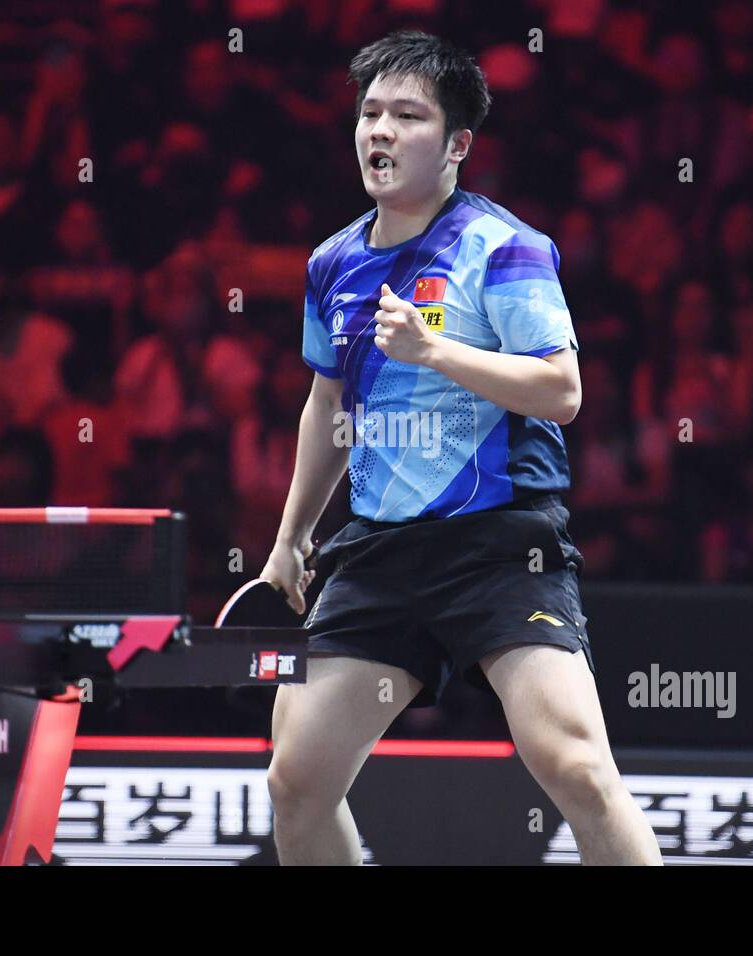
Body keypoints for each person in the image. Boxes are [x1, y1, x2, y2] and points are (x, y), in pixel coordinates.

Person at [260, 31, 661, 865]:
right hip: (376, 552)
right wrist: (291, 539)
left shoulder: (504, 247)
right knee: (297, 782)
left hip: (501, 546)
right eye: (370, 113)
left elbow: (563, 390)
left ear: (457, 145)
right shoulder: (332, 262)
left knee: (577, 767)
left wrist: (435, 350)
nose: (380, 131)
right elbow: (326, 400)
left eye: (407, 115)